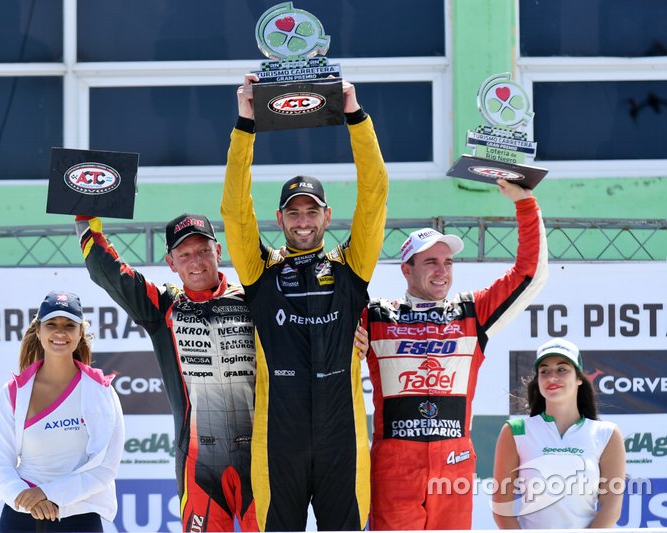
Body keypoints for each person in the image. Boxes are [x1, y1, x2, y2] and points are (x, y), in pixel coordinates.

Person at [75, 212, 370, 532]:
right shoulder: (163, 306)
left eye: (203, 251)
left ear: (218, 252)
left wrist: (351, 339)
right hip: (199, 463)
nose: (196, 262)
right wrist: (86, 219)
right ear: (171, 263)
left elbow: (315, 321)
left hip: (261, 459)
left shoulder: (257, 300)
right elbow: (110, 273)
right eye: (184, 255)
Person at [220, 74, 389, 531]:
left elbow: (374, 196)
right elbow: (235, 210)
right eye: (293, 211)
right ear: (279, 218)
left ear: (327, 216)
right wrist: (245, 125)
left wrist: (354, 115)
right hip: (279, 440)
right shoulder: (260, 271)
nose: (302, 220)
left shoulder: (351, 265)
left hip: (343, 439)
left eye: (311, 210)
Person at [362, 179, 549, 530]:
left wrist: (525, 204)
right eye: (430, 262)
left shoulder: (470, 311)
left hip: (454, 457)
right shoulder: (375, 316)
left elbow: (529, 276)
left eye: (448, 262)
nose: (442, 271)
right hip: (394, 461)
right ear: (407, 269)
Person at [0, 290, 125, 532]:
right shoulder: (13, 392)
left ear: (80, 333)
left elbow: (105, 468)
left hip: (79, 515)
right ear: (39, 331)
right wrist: (25, 497)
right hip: (21, 512)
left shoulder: (101, 392)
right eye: (52, 324)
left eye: (69, 325)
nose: (60, 332)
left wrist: (48, 493)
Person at [492, 338, 625, 528]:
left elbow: (611, 508)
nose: (551, 377)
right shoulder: (516, 430)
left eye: (562, 369)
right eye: (544, 371)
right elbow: (501, 509)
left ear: (579, 378)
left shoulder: (606, 433)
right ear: (538, 381)